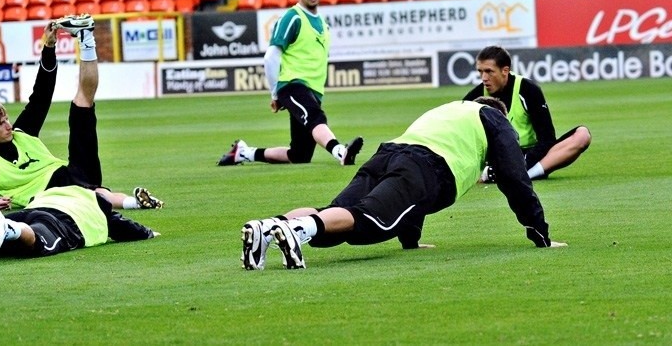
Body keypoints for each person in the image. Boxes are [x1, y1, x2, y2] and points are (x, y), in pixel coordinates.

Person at [239, 97, 567, 271]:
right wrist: (540, 234)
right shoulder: (495, 118)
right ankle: (297, 232)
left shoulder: (450, 110)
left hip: (388, 154)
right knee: (366, 221)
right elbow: (515, 178)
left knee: (338, 212)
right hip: (423, 166)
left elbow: (415, 202)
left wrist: (411, 243)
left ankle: (269, 228)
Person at [0, 14, 164, 211]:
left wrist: (49, 47)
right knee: (91, 192)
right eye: (0, 123)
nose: (9, 125)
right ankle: (134, 203)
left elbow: (42, 93)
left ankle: (86, 39)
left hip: (67, 174)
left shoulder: (22, 132)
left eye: (6, 119)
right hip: (48, 195)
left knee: (82, 105)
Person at [217, 0, 363, 167]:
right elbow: (270, 57)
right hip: (293, 85)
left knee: (300, 155)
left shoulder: (323, 25)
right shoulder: (293, 17)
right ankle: (341, 152)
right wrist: (275, 94)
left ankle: (244, 153)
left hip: (313, 92)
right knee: (315, 117)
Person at [0, 185, 157, 268]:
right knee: (35, 243)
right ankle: (9, 230)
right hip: (60, 222)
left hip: (27, 211)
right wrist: (149, 233)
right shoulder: (95, 200)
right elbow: (124, 226)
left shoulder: (50, 191)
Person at [463, 45, 591, 182]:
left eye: (489, 71)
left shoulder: (528, 90)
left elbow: (547, 138)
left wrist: (523, 164)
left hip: (531, 157)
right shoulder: (473, 98)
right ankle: (510, 174)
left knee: (582, 135)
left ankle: (525, 176)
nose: (484, 78)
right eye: (480, 72)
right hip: (498, 160)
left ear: (505, 70)